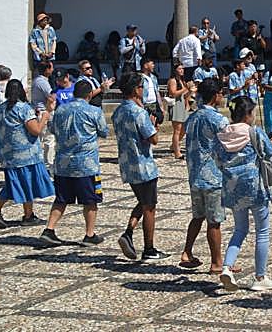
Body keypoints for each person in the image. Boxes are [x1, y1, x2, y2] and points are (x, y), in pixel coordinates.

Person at [214, 96, 272, 291]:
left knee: (240, 230)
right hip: (255, 187)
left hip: (232, 188)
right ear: (248, 114)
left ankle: (226, 267)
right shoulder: (254, 132)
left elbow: (217, 160)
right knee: (262, 231)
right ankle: (260, 277)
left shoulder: (223, 134)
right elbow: (270, 153)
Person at [41, 78, 109, 245]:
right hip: (86, 164)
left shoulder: (61, 110)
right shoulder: (94, 111)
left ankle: (49, 229)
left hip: (63, 163)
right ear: (89, 95)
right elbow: (104, 131)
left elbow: (52, 129)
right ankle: (89, 233)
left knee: (61, 198)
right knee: (90, 200)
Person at [0, 79, 52, 225]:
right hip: (26, 154)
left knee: (16, 183)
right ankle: (7, 211)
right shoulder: (24, 108)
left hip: (9, 153)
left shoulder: (1, 108)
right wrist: (45, 117)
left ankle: (25, 213)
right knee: (25, 183)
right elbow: (36, 130)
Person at [111, 73, 164, 261]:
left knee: (143, 201)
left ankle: (128, 233)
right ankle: (149, 248)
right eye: (141, 87)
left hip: (127, 163)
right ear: (136, 90)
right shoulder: (138, 113)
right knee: (149, 206)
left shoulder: (118, 112)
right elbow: (154, 139)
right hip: (144, 165)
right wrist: (153, 124)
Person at [181, 77, 227, 274]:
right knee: (214, 221)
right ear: (216, 95)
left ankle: (187, 251)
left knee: (198, 216)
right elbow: (228, 145)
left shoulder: (192, 117)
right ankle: (217, 262)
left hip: (194, 173)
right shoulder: (218, 119)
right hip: (212, 175)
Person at [168, 63, 192, 159]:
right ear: (175, 70)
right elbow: (173, 93)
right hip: (176, 105)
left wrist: (189, 90)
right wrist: (185, 88)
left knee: (184, 128)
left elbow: (185, 95)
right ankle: (177, 152)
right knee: (177, 130)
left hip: (182, 105)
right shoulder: (172, 81)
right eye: (179, 68)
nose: (182, 70)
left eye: (182, 68)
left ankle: (174, 145)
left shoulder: (182, 81)